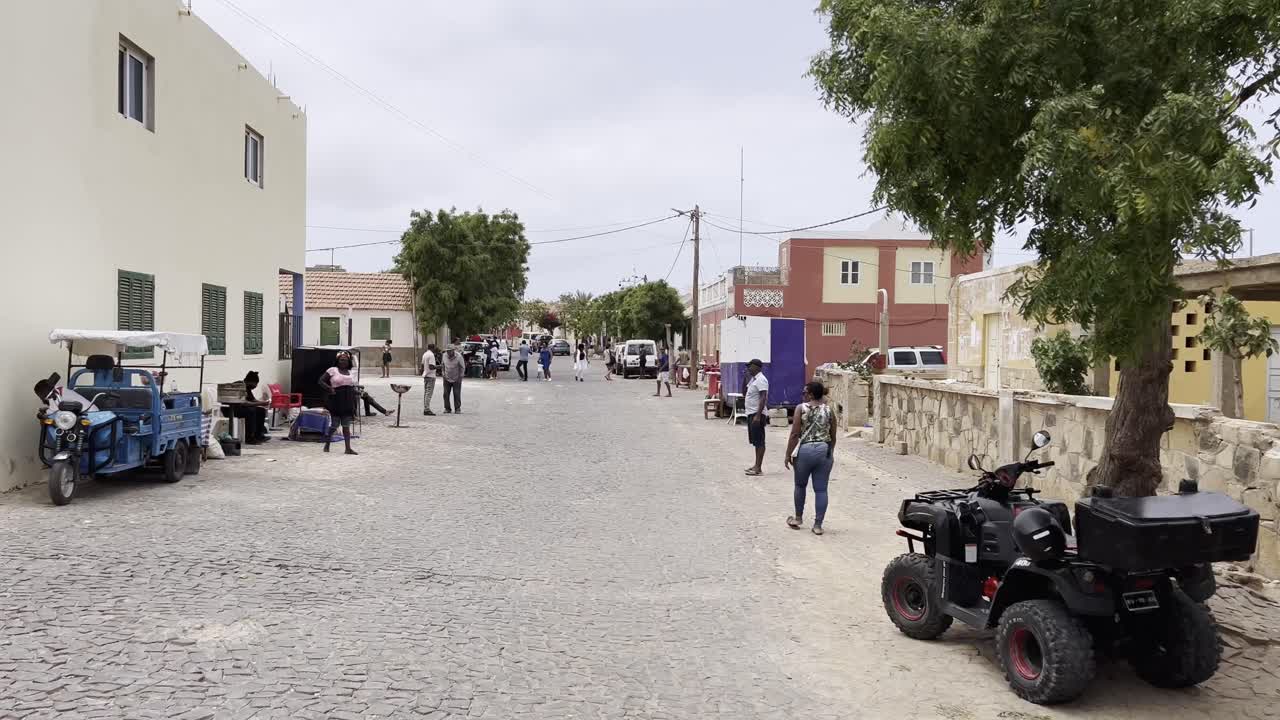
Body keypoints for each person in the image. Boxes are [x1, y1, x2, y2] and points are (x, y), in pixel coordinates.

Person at [784, 382, 837, 535]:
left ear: (812, 394)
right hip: (824, 450)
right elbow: (833, 435)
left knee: (800, 486)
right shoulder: (829, 410)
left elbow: (794, 434)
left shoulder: (801, 408)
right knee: (821, 489)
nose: (803, 395)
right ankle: (818, 525)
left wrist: (788, 454)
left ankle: (798, 518)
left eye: (805, 392)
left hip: (805, 450)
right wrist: (830, 452)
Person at [317, 351, 359, 455]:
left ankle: (348, 448)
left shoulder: (350, 372)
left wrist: (356, 392)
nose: (343, 361)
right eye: (341, 359)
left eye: (345, 360)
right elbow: (321, 381)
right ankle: (327, 444)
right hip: (336, 399)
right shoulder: (332, 370)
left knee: (346, 425)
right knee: (334, 425)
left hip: (348, 399)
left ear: (348, 361)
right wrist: (329, 388)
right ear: (338, 361)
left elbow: (351, 385)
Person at [743, 358, 769, 476]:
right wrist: (745, 378)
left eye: (750, 366)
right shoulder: (754, 380)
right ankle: (756, 465)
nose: (749, 368)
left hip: (757, 414)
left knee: (759, 441)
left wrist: (758, 415)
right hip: (751, 413)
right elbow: (744, 393)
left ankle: (758, 468)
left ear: (757, 367)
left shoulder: (761, 380)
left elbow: (763, 397)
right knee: (755, 441)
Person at [235, 371, 270, 445]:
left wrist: (264, 403)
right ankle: (249, 437)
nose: (256, 386)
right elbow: (244, 403)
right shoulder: (239, 386)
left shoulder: (247, 388)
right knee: (251, 411)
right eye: (256, 384)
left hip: (241, 408)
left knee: (260, 410)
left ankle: (258, 435)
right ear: (250, 382)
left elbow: (253, 400)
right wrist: (261, 403)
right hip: (232, 409)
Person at [441, 344, 466, 414]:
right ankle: (447, 408)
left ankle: (457, 408)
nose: (448, 352)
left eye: (449, 351)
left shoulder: (459, 356)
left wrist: (460, 377)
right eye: (447, 351)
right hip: (446, 377)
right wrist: (443, 373)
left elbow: (462, 367)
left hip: (456, 378)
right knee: (445, 394)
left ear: (453, 351)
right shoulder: (444, 355)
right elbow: (442, 365)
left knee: (456, 393)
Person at [421, 343, 439, 416]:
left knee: (426, 393)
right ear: (433, 348)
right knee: (429, 394)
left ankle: (426, 408)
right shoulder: (431, 355)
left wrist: (424, 371)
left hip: (426, 375)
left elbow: (422, 365)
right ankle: (427, 409)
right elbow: (431, 367)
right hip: (431, 376)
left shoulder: (425, 354)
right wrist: (440, 367)